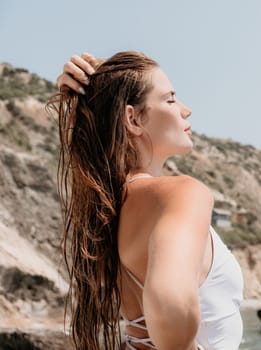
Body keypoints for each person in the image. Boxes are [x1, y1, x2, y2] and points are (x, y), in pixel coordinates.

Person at [49, 51, 244, 350]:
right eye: (170, 99)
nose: (186, 110)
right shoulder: (182, 195)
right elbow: (169, 307)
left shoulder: (106, 209)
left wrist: (102, 86)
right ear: (133, 118)